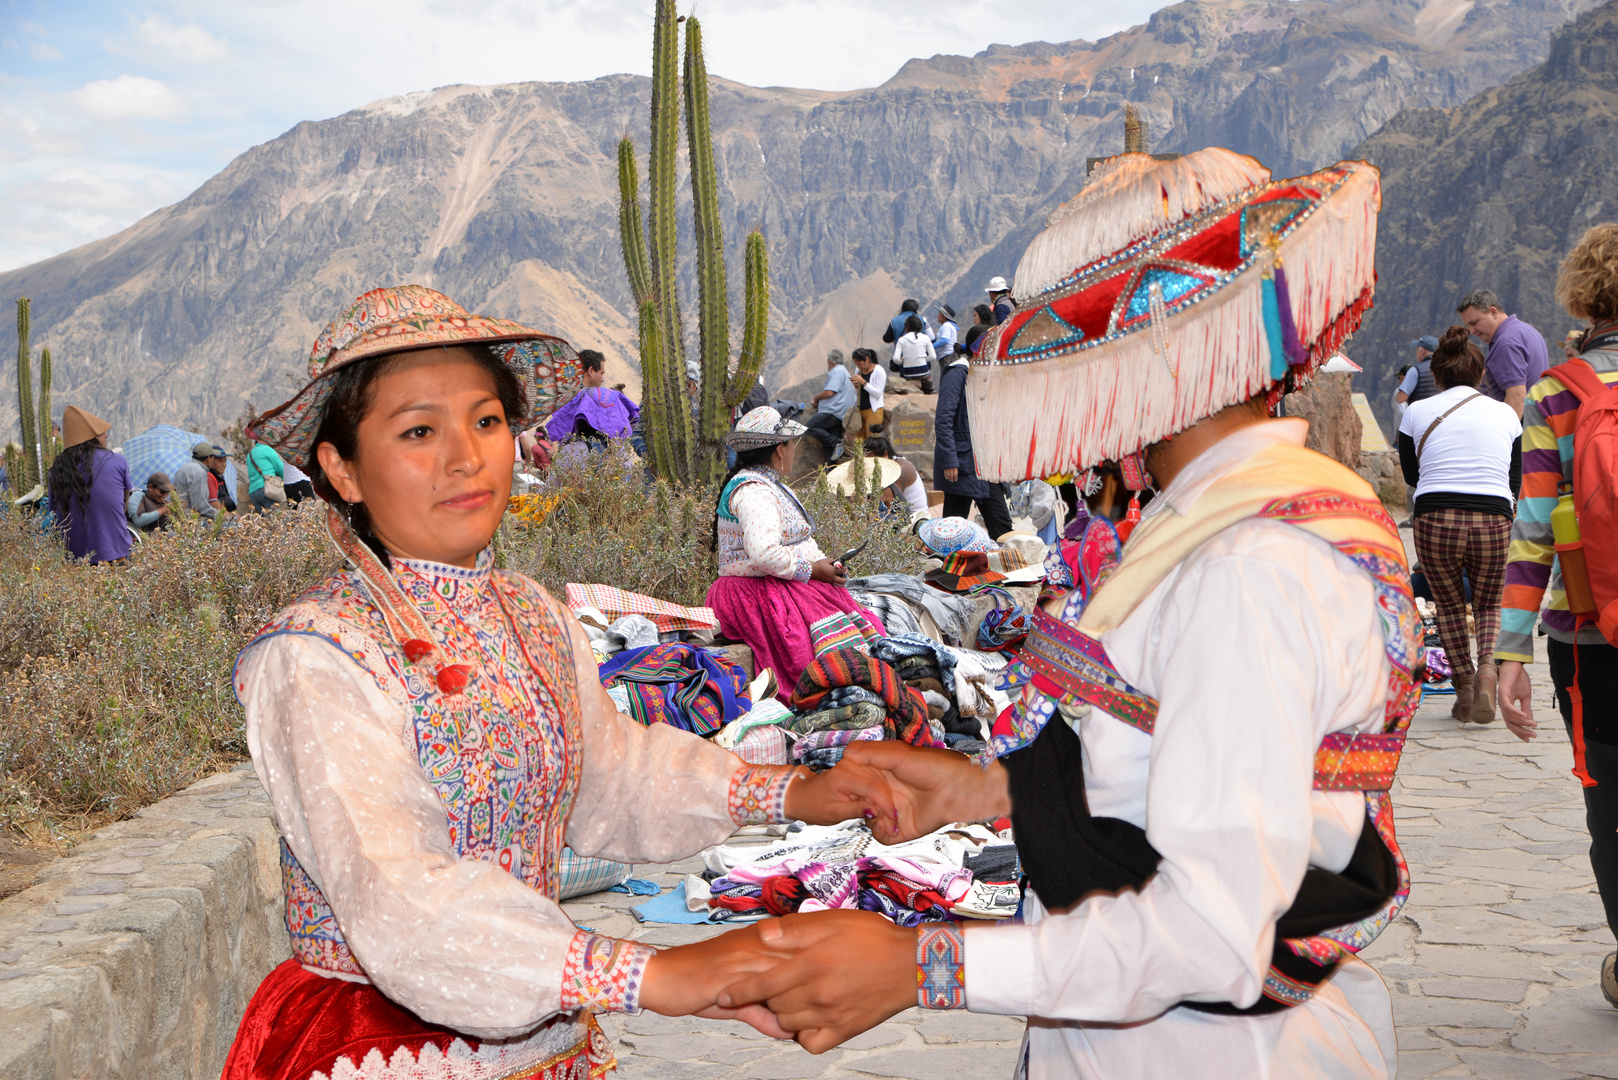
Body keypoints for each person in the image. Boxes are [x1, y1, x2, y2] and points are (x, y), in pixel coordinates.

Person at [718, 150, 1415, 1080]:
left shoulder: (1250, 561)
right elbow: (1182, 752)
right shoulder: (1237, 516)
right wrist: (990, 791)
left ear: (1158, 353)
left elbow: (1210, 932)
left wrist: (919, 965)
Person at [220, 285, 887, 1080]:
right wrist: (654, 974)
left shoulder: (529, 614)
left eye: (487, 420)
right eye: (420, 431)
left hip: (543, 1027)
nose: (466, 456)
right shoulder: (314, 655)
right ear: (342, 469)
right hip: (375, 1045)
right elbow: (399, 900)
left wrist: (798, 792)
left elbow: (615, 776)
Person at [1498, 223, 1618, 1010]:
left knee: (1610, 805)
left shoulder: (1558, 393)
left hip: (1590, 637)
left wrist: (1510, 652)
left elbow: (1537, 527)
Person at [705, 407, 885, 699]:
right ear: (779, 449)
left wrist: (821, 565)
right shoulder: (754, 492)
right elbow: (763, 554)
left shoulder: (768, 485)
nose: (793, 451)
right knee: (817, 652)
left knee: (856, 626)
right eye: (791, 445)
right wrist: (813, 570)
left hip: (771, 582)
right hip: (753, 592)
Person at [1397, 326, 1522, 723]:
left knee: (1449, 606)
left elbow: (1410, 474)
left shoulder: (1416, 412)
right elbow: (1513, 478)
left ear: (1436, 376)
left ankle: (1465, 689)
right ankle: (1488, 668)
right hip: (1493, 516)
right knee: (1488, 603)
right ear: (1480, 374)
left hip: (1435, 514)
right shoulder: (1505, 413)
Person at [933, 347, 1012, 538]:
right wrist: (950, 460)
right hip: (961, 464)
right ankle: (950, 566)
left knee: (1001, 526)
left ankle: (1002, 566)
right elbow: (944, 420)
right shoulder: (957, 373)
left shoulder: (985, 375)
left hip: (986, 464)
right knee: (953, 529)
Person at [47, 405, 132, 565]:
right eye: (100, 432)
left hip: (75, 561)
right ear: (90, 437)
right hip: (115, 555)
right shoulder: (117, 461)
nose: (106, 435)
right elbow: (124, 502)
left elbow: (54, 512)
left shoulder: (56, 470)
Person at [1456, 288, 1549, 417]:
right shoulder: (1526, 330)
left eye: (1474, 323)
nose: (1472, 331)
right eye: (1468, 326)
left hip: (1518, 427)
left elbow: (1517, 396)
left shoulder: (1506, 343)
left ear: (1493, 312)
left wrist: (1509, 435)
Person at [544, 349, 640, 446]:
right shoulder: (583, 398)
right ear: (590, 371)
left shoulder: (567, 395)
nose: (602, 379)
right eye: (601, 373)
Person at [805, 350, 856, 463]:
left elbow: (829, 393)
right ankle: (829, 473)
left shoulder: (837, 371)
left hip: (833, 412)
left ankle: (837, 442)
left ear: (830, 361)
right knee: (830, 449)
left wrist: (816, 398)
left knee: (809, 427)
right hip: (841, 414)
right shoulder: (845, 372)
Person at [862, 435, 929, 517]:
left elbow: (890, 502)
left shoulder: (901, 470)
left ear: (885, 454)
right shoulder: (884, 468)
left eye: (871, 461)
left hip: (915, 521)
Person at [173, 442, 221, 521]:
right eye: (213, 457)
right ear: (209, 459)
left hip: (179, 517)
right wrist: (220, 515)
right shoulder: (199, 472)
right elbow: (199, 506)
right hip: (190, 520)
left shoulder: (184, 468)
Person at [891, 315, 936, 394]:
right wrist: (922, 358)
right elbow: (933, 357)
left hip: (908, 373)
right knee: (931, 391)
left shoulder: (902, 340)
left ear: (907, 326)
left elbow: (895, 359)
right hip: (924, 372)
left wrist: (902, 361)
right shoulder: (926, 338)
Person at [1394, 334, 1440, 411]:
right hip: (1441, 416)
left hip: (1421, 416)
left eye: (1417, 349)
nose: (1416, 352)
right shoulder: (1444, 368)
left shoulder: (1415, 370)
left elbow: (1400, 398)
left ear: (1422, 351)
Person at [850, 347, 886, 436]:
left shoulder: (878, 371)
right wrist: (855, 386)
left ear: (867, 359)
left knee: (871, 441)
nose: (858, 367)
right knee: (859, 443)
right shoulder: (858, 370)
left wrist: (863, 382)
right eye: (856, 365)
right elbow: (856, 393)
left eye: (859, 364)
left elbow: (878, 393)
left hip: (873, 411)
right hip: (860, 410)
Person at [246, 438, 285, 513]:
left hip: (253, 492)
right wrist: (282, 482)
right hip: (268, 489)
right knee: (273, 519)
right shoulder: (267, 449)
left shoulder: (249, 455)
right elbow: (281, 469)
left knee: (263, 521)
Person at [209, 448, 239, 513]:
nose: (224, 465)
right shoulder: (210, 478)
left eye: (225, 461)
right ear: (211, 461)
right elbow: (213, 503)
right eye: (220, 461)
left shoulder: (220, 477)